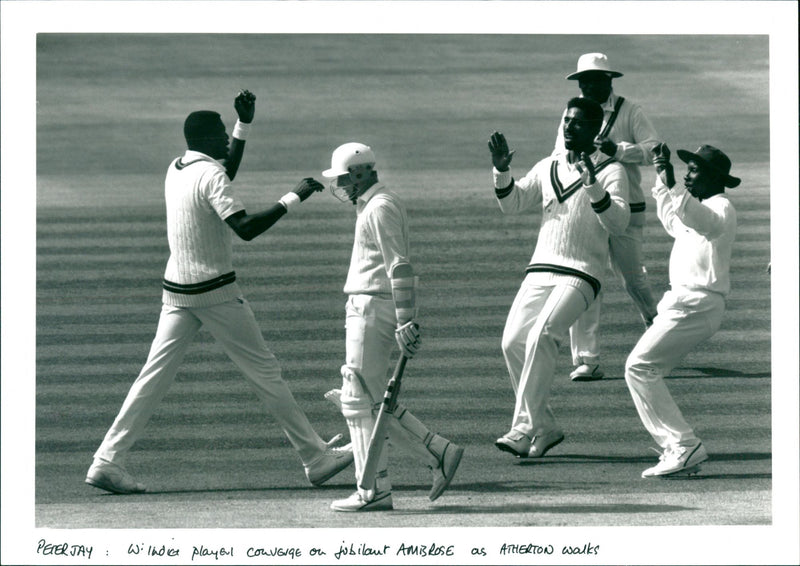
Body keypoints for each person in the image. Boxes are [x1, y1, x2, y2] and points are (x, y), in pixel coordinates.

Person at [85, 91, 353, 494]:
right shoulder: (210, 175)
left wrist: (245, 124)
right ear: (206, 139)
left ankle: (106, 461)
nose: (227, 137)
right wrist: (292, 197)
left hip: (177, 291)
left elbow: (224, 172)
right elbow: (244, 228)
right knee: (265, 372)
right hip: (215, 292)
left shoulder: (178, 167)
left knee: (152, 378)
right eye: (222, 132)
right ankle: (315, 459)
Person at [321, 142, 464, 512]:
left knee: (358, 402)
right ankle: (438, 450)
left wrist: (405, 320)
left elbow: (399, 266)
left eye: (342, 178)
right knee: (366, 401)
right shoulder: (372, 204)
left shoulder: (381, 207)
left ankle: (374, 492)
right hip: (368, 303)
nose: (340, 185)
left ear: (360, 173)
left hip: (373, 306)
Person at [489, 97, 630, 459]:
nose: (569, 127)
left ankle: (522, 428)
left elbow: (619, 222)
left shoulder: (612, 171)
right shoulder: (548, 164)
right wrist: (501, 170)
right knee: (512, 342)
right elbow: (513, 203)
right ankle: (546, 427)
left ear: (596, 129)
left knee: (543, 334)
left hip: (582, 272)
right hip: (540, 268)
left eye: (578, 123)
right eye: (566, 120)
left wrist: (593, 186)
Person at [625, 143, 738, 478]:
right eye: (686, 170)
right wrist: (663, 180)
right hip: (684, 304)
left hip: (698, 304)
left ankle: (684, 445)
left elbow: (701, 221)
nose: (688, 175)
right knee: (641, 369)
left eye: (694, 170)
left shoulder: (722, 208)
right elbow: (674, 218)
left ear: (714, 177)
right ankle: (680, 445)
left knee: (640, 367)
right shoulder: (696, 208)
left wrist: (674, 185)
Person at [554, 53, 661, 382]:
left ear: (608, 81)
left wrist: (618, 151)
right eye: (583, 80)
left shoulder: (630, 110)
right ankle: (587, 359)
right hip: (586, 210)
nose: (587, 86)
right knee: (587, 281)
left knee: (633, 279)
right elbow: (560, 155)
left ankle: (657, 330)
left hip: (627, 209)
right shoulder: (572, 112)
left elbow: (654, 148)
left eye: (594, 80)